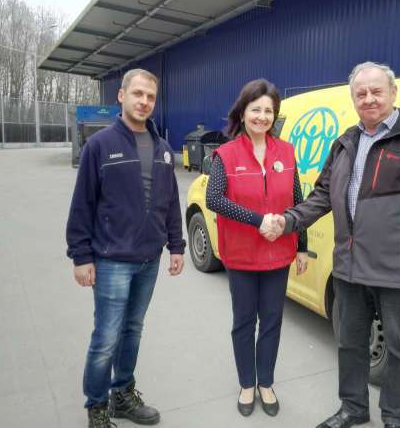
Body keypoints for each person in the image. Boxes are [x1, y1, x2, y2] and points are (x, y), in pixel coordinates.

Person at [272, 62, 400, 428]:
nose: (369, 99)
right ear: (353, 98)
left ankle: (394, 417)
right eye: (361, 93)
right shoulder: (346, 142)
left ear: (393, 93)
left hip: (397, 269)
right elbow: (322, 195)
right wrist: (288, 221)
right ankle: (353, 408)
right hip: (349, 266)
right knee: (349, 343)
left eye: (376, 91)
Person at [66, 68, 186, 428]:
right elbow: (82, 203)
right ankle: (97, 408)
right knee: (106, 337)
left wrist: (176, 246)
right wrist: (81, 255)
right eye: (137, 94)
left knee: (133, 329)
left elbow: (171, 203)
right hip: (111, 260)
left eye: (150, 96)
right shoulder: (99, 146)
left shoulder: (164, 150)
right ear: (121, 96)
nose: (144, 101)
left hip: (149, 260)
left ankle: (122, 394)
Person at [205, 78, 308, 418]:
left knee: (273, 321)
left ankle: (266, 383)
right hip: (242, 256)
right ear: (242, 113)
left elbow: (298, 201)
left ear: (274, 115)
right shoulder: (226, 154)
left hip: (279, 254)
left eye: (268, 111)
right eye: (255, 110)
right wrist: (258, 220)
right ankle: (247, 384)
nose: (262, 117)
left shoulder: (286, 152)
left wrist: (302, 245)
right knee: (244, 321)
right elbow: (214, 199)